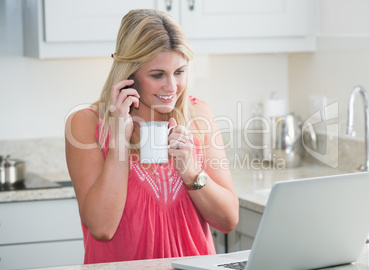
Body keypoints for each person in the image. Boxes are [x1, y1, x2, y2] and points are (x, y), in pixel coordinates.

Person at [65, 9, 239, 264]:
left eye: (179, 72)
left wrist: (191, 172)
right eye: (157, 75)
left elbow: (228, 220)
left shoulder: (198, 115)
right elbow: (102, 228)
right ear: (129, 74)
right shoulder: (86, 123)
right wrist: (119, 143)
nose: (171, 87)